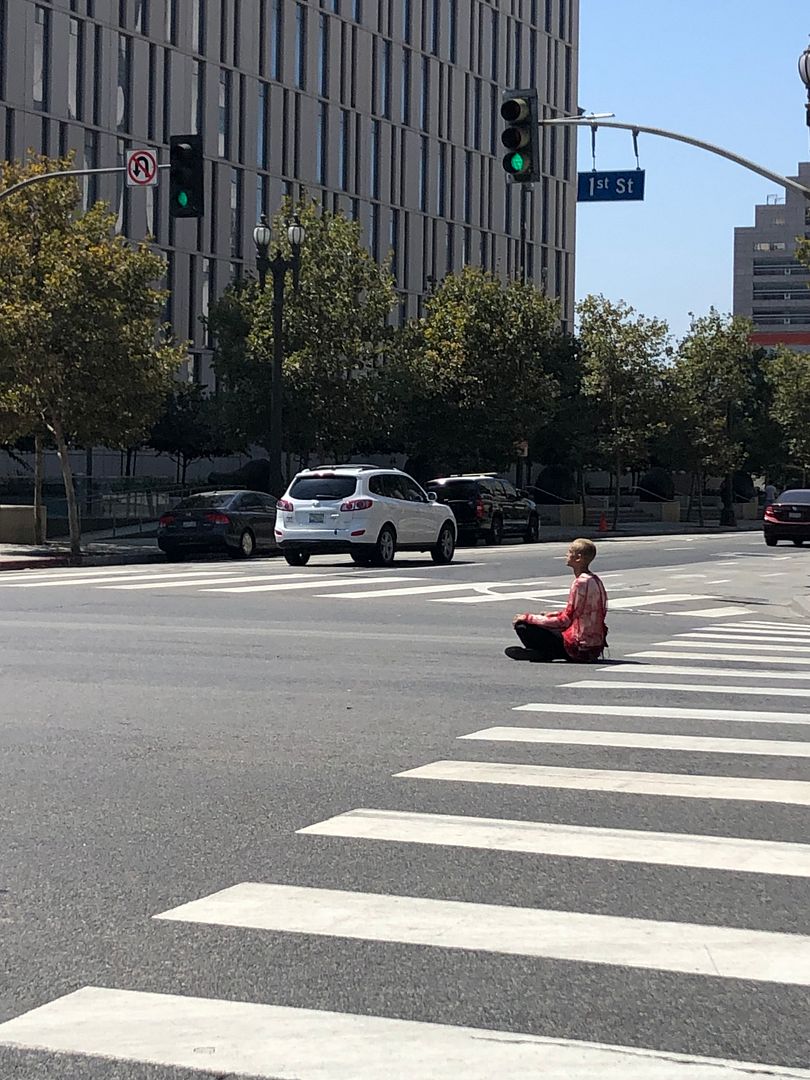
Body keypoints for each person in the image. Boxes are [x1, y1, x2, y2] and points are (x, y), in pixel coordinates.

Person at [508, 538, 608, 662]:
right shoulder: (596, 580)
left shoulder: (580, 583)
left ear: (578, 558)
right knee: (542, 623)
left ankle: (544, 652)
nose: (566, 555)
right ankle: (543, 651)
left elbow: (565, 621)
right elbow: (577, 613)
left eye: (570, 552)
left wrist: (529, 618)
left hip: (578, 646)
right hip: (594, 646)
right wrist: (550, 616)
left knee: (522, 625)